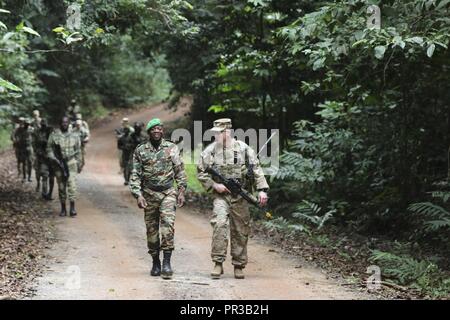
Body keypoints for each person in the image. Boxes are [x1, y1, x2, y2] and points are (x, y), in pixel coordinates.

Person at [197, 118, 269, 279]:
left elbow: (256, 169)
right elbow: (201, 172)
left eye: (218, 133)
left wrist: (262, 190)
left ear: (227, 132)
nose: (215, 135)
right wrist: (214, 185)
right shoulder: (210, 151)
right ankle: (217, 262)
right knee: (219, 224)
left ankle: (238, 264)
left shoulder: (243, 149)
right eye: (214, 133)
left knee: (240, 229)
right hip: (221, 196)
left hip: (240, 196)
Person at [129, 118, 187, 279]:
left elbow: (180, 171)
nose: (156, 131)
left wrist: (181, 191)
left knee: (168, 226)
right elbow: (135, 174)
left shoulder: (171, 148)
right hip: (149, 194)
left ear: (163, 131)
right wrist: (138, 194)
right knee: (152, 230)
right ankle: (155, 261)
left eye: (159, 129)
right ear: (149, 132)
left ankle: (167, 263)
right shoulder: (141, 150)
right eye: (153, 129)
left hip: (168, 192)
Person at [47, 117, 82, 217]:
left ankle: (72, 208)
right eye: (63, 122)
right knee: (61, 187)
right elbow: (49, 149)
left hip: (71, 163)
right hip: (58, 164)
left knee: (72, 186)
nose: (64, 124)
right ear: (60, 123)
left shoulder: (75, 135)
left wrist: (79, 163)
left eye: (66, 122)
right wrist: (54, 159)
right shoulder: (54, 135)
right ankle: (63, 209)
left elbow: (78, 151)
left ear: (69, 123)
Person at [32, 119, 55, 200]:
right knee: (44, 176)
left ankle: (50, 194)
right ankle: (44, 193)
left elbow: (56, 144)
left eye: (45, 125)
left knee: (52, 177)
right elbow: (35, 146)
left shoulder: (51, 132)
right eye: (42, 125)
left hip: (52, 158)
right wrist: (39, 153)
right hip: (43, 158)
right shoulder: (38, 133)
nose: (44, 126)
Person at [15, 119, 34, 183]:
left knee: (30, 162)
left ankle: (29, 177)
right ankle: (24, 177)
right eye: (26, 123)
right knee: (24, 163)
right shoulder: (20, 129)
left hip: (30, 147)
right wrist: (17, 140)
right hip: (23, 148)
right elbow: (15, 135)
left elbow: (36, 135)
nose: (27, 125)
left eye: (28, 124)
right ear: (24, 123)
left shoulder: (31, 129)